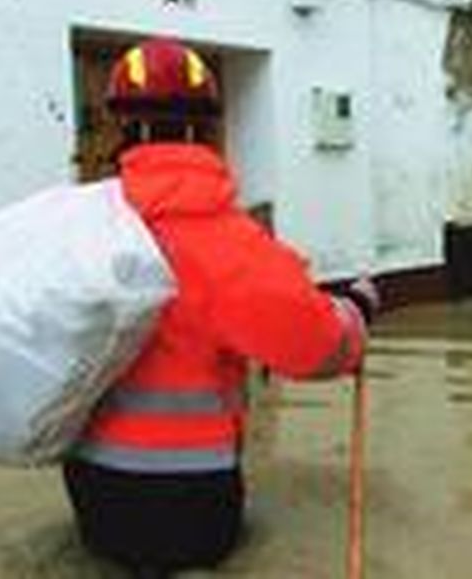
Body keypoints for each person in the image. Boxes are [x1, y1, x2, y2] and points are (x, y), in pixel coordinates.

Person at [62, 37, 376, 576]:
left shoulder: (82, 226)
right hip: (191, 503)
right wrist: (357, 309)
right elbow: (319, 348)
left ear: (117, 129)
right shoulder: (229, 240)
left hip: (92, 494)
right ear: (206, 130)